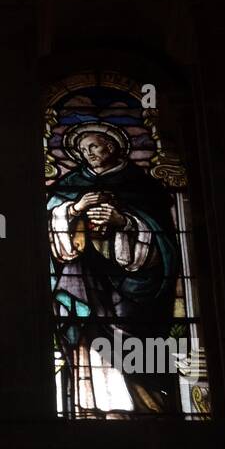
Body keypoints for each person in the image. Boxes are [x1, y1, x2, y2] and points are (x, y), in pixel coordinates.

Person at [46, 122, 180, 415]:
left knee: (131, 337)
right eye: (83, 149)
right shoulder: (72, 184)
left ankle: (145, 409)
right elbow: (50, 224)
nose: (89, 153)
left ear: (113, 145)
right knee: (88, 335)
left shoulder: (144, 187)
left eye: (94, 146)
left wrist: (124, 222)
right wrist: (74, 209)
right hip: (85, 280)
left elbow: (166, 243)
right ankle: (91, 407)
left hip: (134, 286)